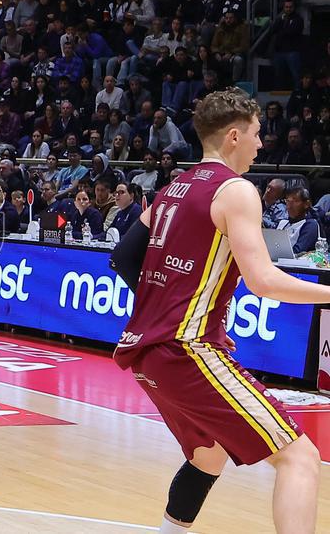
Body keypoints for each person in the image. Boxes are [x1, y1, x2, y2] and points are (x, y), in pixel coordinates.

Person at [111, 90, 325, 534]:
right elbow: (262, 281)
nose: (261, 144)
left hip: (148, 351)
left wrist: (163, 305)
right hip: (187, 348)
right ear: (233, 136)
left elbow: (124, 256)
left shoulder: (174, 186)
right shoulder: (236, 190)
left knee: (208, 454)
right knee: (300, 457)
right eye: (257, 134)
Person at [277, 187, 319, 255]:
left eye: (295, 201)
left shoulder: (310, 225)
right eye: (288, 201)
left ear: (306, 204)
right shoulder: (282, 223)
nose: (289, 206)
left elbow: (298, 251)